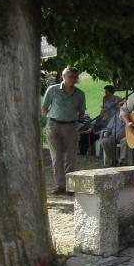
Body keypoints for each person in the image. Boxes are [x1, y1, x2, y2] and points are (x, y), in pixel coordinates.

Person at [42, 66, 86, 195]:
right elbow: (44, 108)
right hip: (54, 125)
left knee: (70, 157)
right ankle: (60, 185)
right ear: (63, 77)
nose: (73, 79)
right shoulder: (53, 90)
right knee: (56, 157)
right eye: (70, 76)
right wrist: (54, 116)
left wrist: (72, 119)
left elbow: (82, 112)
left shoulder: (79, 94)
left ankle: (70, 187)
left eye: (75, 77)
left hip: (71, 126)